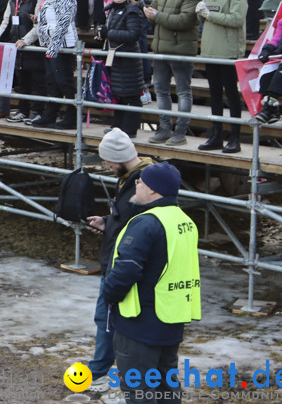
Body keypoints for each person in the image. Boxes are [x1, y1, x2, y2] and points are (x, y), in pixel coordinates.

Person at [103, 162, 201, 404]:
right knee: (167, 387)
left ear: (154, 191)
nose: (136, 185)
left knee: (139, 391)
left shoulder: (146, 222)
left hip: (140, 322)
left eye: (141, 182)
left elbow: (126, 269)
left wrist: (109, 295)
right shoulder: (184, 220)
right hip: (170, 318)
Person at [83, 129, 155, 387]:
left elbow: (141, 225)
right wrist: (107, 222)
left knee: (107, 318)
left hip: (123, 263)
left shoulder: (143, 184)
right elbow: (124, 217)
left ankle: (100, 371)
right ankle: (103, 369)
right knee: (107, 318)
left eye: (108, 160)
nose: (106, 165)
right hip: (116, 259)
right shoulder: (129, 179)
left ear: (117, 157)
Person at [144, 0, 203, 146]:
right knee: (160, 89)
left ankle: (181, 130)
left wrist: (157, 16)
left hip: (181, 49)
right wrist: (147, 12)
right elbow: (153, 9)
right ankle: (164, 127)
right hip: (161, 48)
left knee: (183, 91)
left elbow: (185, 21)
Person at [17, 0, 78, 129]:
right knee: (52, 81)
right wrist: (39, 20)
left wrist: (52, 47)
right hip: (50, 45)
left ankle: (72, 117)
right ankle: (50, 114)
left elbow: (64, 23)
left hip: (62, 45)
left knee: (64, 81)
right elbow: (51, 21)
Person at [196, 0, 247, 152]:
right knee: (215, 95)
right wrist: (200, 13)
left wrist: (210, 14)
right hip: (210, 49)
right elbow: (209, 18)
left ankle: (235, 137)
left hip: (227, 50)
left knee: (232, 96)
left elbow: (236, 18)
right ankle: (215, 135)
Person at [102, 0, 147, 138]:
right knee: (119, 93)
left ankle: (130, 128)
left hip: (128, 57)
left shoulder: (132, 10)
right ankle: (118, 125)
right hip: (116, 55)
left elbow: (133, 34)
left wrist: (109, 33)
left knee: (131, 94)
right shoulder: (112, 9)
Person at [253, 0, 282, 125]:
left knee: (281, 75)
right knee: (266, 74)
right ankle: (273, 109)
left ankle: (268, 108)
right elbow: (276, 38)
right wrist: (267, 49)